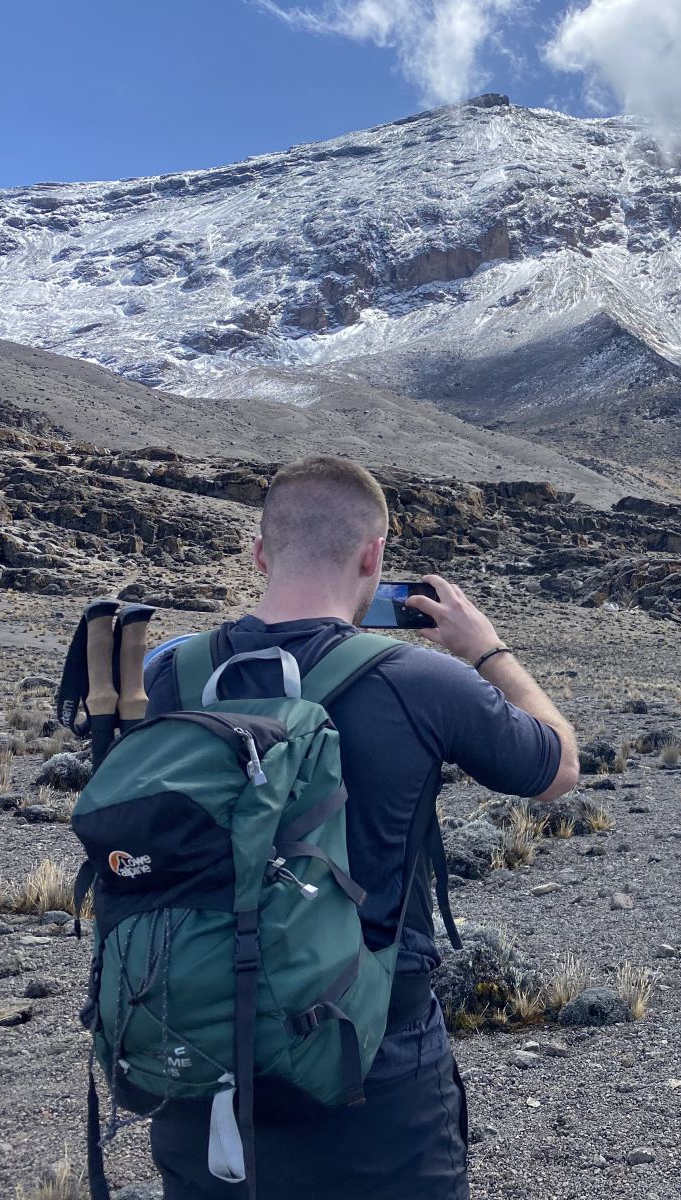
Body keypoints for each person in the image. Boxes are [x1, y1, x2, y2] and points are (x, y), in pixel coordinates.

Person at [140, 455, 580, 1200]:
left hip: (198, 1055)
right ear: (374, 556)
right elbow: (559, 767)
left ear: (260, 552)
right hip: (372, 1062)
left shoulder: (172, 676)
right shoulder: (421, 681)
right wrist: (486, 651)